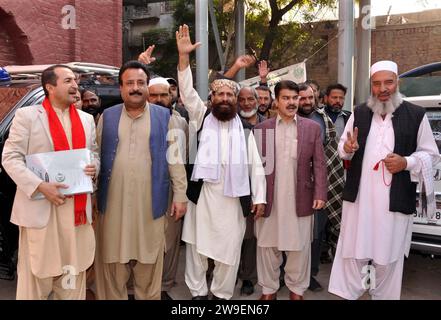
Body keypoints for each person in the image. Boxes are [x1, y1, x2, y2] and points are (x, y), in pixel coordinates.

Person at [328, 60, 440, 300]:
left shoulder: (416, 114)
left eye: (388, 82)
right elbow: (343, 149)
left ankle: (383, 296)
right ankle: (350, 293)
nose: (382, 88)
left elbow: (432, 155)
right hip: (360, 199)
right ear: (371, 86)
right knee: (352, 250)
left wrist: (406, 163)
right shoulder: (359, 113)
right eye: (377, 83)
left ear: (397, 82)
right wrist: (348, 147)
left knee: (389, 253)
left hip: (394, 201)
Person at [176, 24, 266, 300]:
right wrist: (183, 58)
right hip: (202, 198)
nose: (225, 99)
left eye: (230, 95)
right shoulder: (200, 117)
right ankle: (198, 294)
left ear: (236, 101)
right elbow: (187, 92)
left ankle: (222, 295)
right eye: (220, 95)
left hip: (232, 199)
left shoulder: (246, 130)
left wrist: (259, 198)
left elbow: (257, 168)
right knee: (196, 249)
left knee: (229, 252)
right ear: (212, 98)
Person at [2, 64, 99, 299]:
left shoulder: (86, 120)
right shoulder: (28, 116)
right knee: (37, 279)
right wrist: (39, 186)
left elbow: (93, 153)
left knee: (72, 277)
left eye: (75, 80)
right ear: (50, 87)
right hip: (41, 211)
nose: (75, 85)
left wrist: (93, 166)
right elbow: (10, 157)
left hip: (76, 213)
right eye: (68, 81)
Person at [94, 61, 188, 300]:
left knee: (149, 263)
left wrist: (180, 196)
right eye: (129, 83)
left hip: (150, 206)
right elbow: (94, 157)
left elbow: (175, 161)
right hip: (113, 206)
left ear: (147, 86)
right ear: (121, 88)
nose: (135, 88)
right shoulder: (107, 116)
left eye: (140, 83)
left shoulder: (165, 117)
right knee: (112, 265)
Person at [254, 80, 327, 300]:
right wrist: (256, 197)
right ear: (276, 101)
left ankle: (296, 291)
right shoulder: (262, 129)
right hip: (270, 199)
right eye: (286, 98)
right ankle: (269, 290)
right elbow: (256, 167)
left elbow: (320, 164)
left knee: (299, 247)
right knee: (268, 246)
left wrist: (320, 193)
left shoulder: (312, 128)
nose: (292, 102)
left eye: (295, 98)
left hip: (301, 198)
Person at [297, 83, 345, 291]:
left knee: (315, 234)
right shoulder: (286, 120)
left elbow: (331, 155)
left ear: (316, 98)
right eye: (302, 98)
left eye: (310, 97)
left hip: (318, 186)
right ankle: (285, 274)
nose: (306, 102)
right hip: (292, 186)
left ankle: (311, 274)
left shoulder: (322, 120)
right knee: (291, 233)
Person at [147, 76, 188, 300]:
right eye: (154, 95)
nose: (160, 99)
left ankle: (164, 286)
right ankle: (137, 288)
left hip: (174, 190)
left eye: (165, 95)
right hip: (145, 189)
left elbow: (184, 157)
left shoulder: (180, 121)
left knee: (170, 241)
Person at [236, 86, 266, 296]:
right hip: (237, 188)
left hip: (263, 187)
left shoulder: (268, 124)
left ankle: (248, 277)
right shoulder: (232, 123)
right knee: (239, 235)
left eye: (250, 99)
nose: (246, 103)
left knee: (253, 238)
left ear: (258, 101)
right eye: (242, 99)